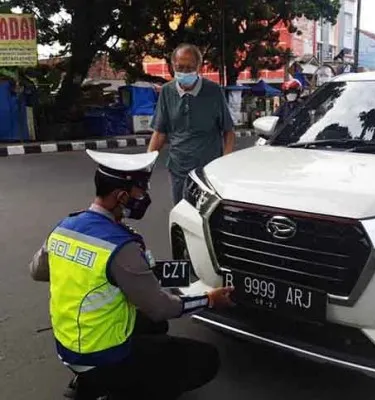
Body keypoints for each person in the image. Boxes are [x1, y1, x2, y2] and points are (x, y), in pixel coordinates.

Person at [29, 149, 235, 400]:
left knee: (154, 326)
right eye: (141, 191)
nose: (145, 196)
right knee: (205, 358)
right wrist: (210, 299)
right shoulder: (120, 245)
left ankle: (90, 378)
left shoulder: (65, 228)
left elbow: (37, 271)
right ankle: (116, 388)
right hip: (101, 355)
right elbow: (161, 307)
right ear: (121, 196)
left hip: (69, 344)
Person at [148, 43, 236, 205]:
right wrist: (146, 165)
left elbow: (228, 131)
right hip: (178, 169)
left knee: (206, 215)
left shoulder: (214, 91)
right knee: (182, 213)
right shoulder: (167, 92)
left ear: (199, 67)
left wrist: (226, 161)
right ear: (173, 66)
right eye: (180, 67)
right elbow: (160, 133)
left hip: (208, 171)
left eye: (190, 68)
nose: (184, 72)